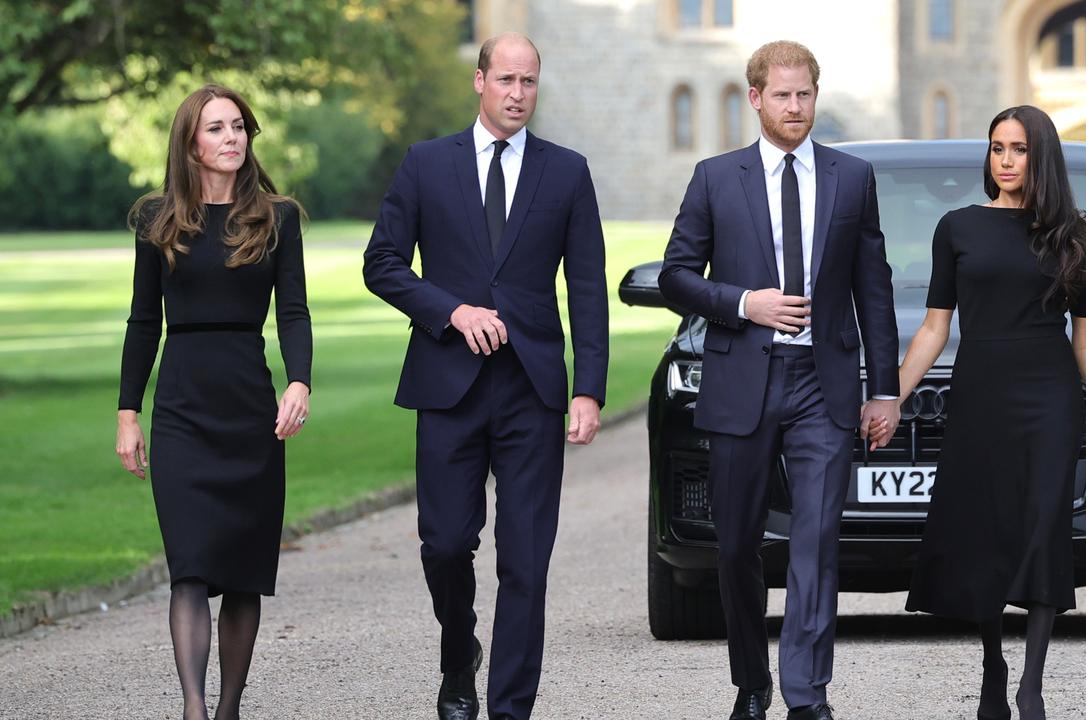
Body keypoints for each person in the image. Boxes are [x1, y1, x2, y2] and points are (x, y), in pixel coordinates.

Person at [362, 33, 608, 720]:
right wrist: (451, 311)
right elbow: (382, 264)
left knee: (525, 561)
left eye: (529, 82)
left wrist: (588, 388)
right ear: (479, 81)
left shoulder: (566, 173)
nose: (517, 93)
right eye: (505, 79)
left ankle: (510, 708)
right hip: (448, 384)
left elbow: (586, 288)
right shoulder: (425, 164)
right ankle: (457, 653)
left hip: (532, 392)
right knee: (444, 545)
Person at [659, 41, 899, 720]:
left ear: (815, 97)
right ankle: (752, 681)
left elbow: (872, 289)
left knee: (817, 541)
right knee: (735, 545)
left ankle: (806, 694)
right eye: (783, 96)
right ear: (756, 99)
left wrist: (883, 388)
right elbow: (676, 275)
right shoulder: (714, 178)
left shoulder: (852, 177)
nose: (796, 107)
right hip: (742, 381)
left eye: (806, 95)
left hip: (822, 385)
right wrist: (743, 304)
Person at [892, 105, 1086, 720]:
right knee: (985, 531)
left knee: (1041, 528)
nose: (1005, 161)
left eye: (1019, 150)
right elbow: (932, 327)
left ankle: (1031, 684)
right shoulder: (957, 227)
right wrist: (891, 396)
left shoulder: (1074, 238)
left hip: (1049, 399)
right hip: (980, 394)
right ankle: (992, 664)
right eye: (997, 148)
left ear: (1042, 157)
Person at [115, 84, 312, 720]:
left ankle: (228, 709)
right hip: (181, 407)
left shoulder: (277, 218)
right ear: (191, 145)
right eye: (216, 129)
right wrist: (128, 413)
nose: (231, 138)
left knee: (244, 570)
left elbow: (295, 313)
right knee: (191, 568)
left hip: (249, 407)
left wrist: (299, 382)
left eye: (238, 127)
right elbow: (144, 322)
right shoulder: (157, 219)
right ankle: (195, 710)